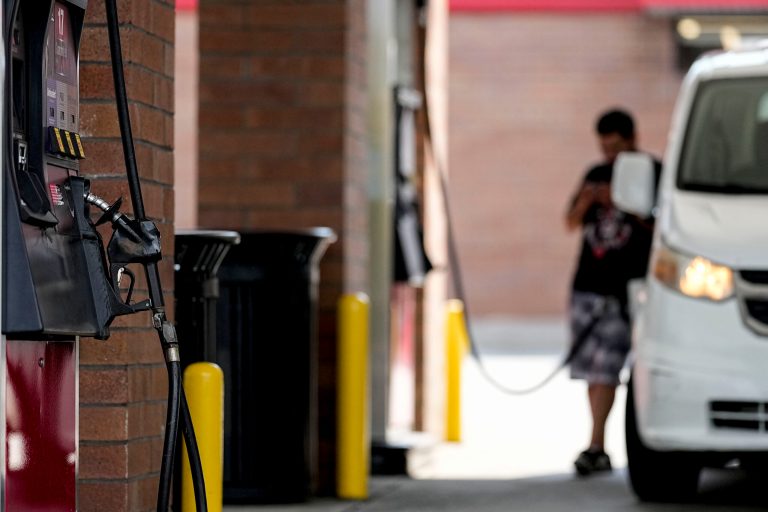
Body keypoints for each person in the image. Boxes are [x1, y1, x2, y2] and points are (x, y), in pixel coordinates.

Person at [564, 108, 660, 477]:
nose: (610, 156)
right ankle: (597, 442)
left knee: (610, 369)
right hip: (587, 285)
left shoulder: (652, 171)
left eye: (616, 147)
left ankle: (596, 443)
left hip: (627, 291)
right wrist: (590, 200)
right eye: (604, 148)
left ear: (632, 139)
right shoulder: (594, 174)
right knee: (592, 370)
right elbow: (569, 222)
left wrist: (626, 203)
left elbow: (663, 226)